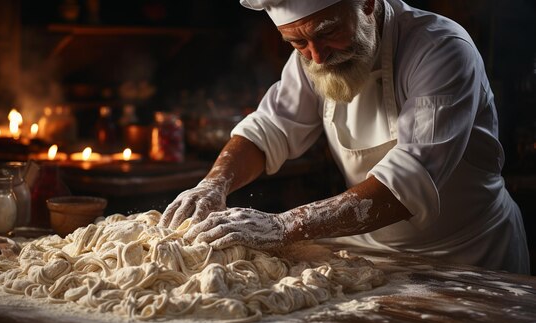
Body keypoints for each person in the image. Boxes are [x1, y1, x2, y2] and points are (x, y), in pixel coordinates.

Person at [159, 0, 531, 275]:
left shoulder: (440, 48)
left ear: (367, 4)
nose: (317, 57)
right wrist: (213, 184)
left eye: (328, 32)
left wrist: (282, 226)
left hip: (469, 255)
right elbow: (268, 129)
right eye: (297, 44)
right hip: (372, 253)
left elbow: (409, 180)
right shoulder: (312, 55)